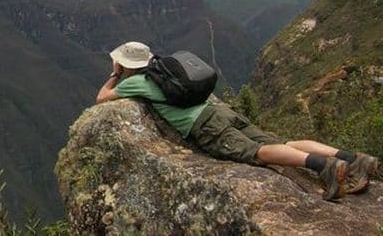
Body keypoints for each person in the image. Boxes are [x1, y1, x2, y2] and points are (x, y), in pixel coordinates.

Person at [95, 41, 379, 201]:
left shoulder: (138, 82)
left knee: (257, 154)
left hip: (206, 126)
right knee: (282, 143)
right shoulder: (166, 69)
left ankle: (325, 167)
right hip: (223, 112)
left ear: (125, 64)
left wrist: (115, 74)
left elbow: (102, 98)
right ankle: (355, 160)